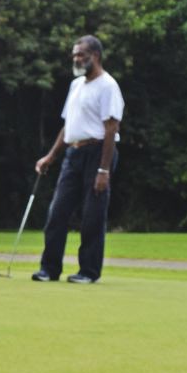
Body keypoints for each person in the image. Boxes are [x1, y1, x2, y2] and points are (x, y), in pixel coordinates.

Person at [32, 35, 125, 284]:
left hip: (97, 153)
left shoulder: (108, 86)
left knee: (92, 216)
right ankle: (49, 269)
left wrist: (103, 170)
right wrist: (51, 157)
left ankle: (88, 272)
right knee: (57, 212)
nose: (76, 58)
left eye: (81, 54)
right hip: (73, 154)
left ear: (95, 56)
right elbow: (69, 125)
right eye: (74, 54)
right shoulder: (76, 85)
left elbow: (111, 129)